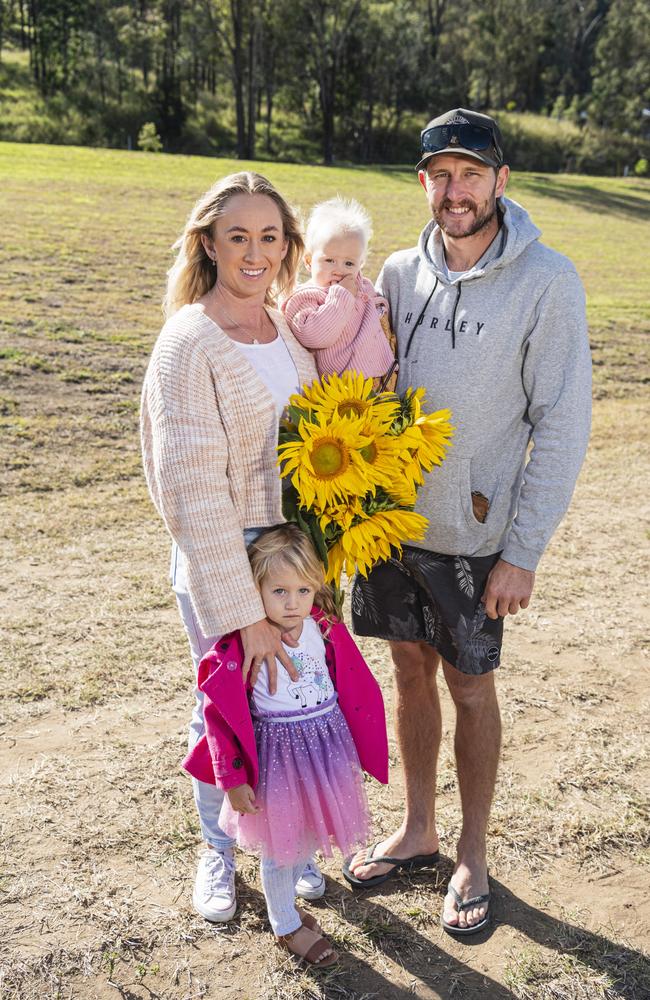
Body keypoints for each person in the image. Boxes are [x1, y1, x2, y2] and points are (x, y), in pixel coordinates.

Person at [344, 109, 592, 935]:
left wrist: (522, 551)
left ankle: (472, 855)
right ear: (424, 183)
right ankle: (418, 830)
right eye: (439, 175)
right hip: (391, 528)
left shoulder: (547, 281)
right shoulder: (395, 274)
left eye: (471, 174)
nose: (455, 192)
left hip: (479, 540)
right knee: (408, 675)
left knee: (471, 688)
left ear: (501, 181)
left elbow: (561, 423)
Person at [140, 171, 323, 924]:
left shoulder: (286, 328)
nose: (254, 251)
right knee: (224, 709)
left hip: (297, 564)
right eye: (238, 235)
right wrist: (241, 608)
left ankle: (289, 843)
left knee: (296, 701)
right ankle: (217, 851)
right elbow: (188, 488)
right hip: (225, 559)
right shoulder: (190, 339)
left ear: (287, 249)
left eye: (269, 237)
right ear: (208, 243)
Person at [183, 525, 389, 965]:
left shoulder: (324, 628)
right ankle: (285, 924)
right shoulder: (237, 648)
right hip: (279, 760)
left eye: (302, 589)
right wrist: (232, 779)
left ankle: (288, 904)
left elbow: (352, 687)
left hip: (324, 752)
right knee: (282, 848)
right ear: (253, 591)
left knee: (311, 834)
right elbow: (218, 719)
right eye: (278, 590)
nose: (292, 602)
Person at [281, 196, 395, 378]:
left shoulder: (361, 285)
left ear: (361, 264)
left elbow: (375, 304)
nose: (339, 270)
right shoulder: (306, 298)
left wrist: (380, 309)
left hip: (383, 377)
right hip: (342, 391)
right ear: (309, 261)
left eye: (349, 263)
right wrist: (341, 296)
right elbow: (315, 336)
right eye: (329, 260)